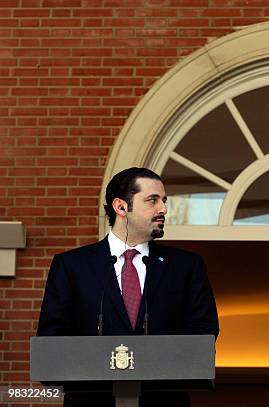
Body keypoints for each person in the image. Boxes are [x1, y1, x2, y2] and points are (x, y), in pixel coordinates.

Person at [37, 167, 219, 407]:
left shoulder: (186, 266)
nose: (163, 209)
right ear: (121, 207)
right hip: (91, 401)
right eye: (152, 200)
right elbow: (53, 337)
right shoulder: (72, 266)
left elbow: (203, 332)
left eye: (164, 201)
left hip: (164, 400)